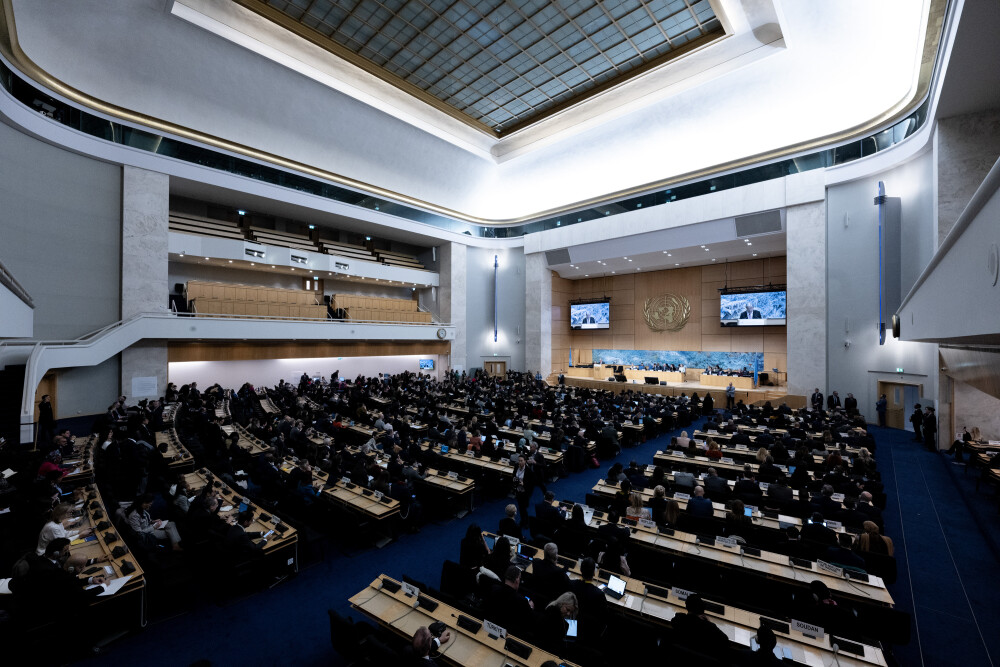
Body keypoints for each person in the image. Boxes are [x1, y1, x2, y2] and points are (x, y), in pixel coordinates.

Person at [530, 543, 571, 607]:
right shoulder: (558, 571)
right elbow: (568, 582)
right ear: (556, 556)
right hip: (550, 602)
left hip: (536, 596)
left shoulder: (535, 562)